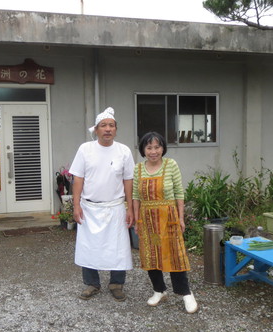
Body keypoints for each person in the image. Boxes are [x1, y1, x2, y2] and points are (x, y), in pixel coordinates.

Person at [69, 107, 135, 302]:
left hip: (115, 207)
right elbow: (78, 178)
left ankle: (116, 283)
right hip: (89, 208)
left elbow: (128, 180)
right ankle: (92, 283)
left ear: (116, 129)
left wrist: (130, 207)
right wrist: (76, 205)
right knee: (88, 247)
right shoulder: (85, 149)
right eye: (103, 125)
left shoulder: (124, 151)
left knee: (118, 247)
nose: (108, 129)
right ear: (96, 130)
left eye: (111, 125)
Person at [133, 131, 198, 313]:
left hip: (168, 218)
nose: (153, 151)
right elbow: (136, 196)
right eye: (149, 147)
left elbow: (179, 192)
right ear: (143, 150)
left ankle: (186, 293)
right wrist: (137, 220)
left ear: (163, 148)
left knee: (175, 255)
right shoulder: (138, 169)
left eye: (157, 147)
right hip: (148, 221)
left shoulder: (171, 165)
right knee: (152, 254)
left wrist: (181, 217)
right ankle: (159, 290)